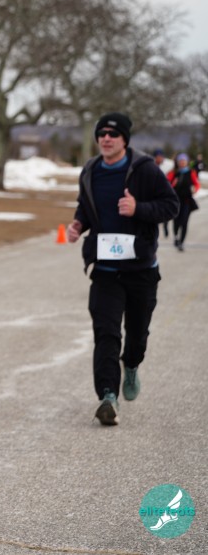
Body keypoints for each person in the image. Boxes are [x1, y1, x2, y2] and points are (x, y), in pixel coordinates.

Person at [66, 113, 178, 426]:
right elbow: (86, 205)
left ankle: (131, 365)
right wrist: (78, 224)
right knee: (106, 332)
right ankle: (108, 396)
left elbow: (171, 205)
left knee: (137, 335)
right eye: (101, 133)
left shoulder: (145, 170)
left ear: (125, 139)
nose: (106, 138)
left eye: (113, 134)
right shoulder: (91, 170)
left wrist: (138, 208)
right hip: (104, 269)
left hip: (141, 269)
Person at [167, 152, 200, 251]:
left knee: (184, 222)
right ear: (177, 162)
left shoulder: (191, 172)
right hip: (175, 202)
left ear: (187, 162)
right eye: (180, 161)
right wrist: (173, 184)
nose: (182, 163)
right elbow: (166, 185)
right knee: (176, 221)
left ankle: (181, 242)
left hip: (187, 201)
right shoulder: (173, 173)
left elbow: (197, 184)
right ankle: (176, 237)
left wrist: (195, 189)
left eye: (184, 161)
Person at [153, 149, 171, 238]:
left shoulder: (167, 167)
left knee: (165, 211)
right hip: (153, 194)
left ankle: (165, 225)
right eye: (158, 157)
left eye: (161, 157)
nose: (160, 158)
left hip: (163, 193)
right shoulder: (150, 166)